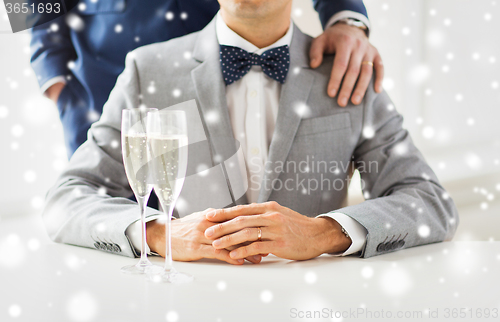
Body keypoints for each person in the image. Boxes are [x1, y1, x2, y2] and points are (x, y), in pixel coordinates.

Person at [42, 0, 459, 265]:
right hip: (108, 88)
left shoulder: (347, 77)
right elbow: (68, 198)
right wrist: (52, 76)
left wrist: (326, 232)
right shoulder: (144, 69)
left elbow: (429, 201)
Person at [30, 0, 383, 158]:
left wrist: (345, 18)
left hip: (213, 90)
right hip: (99, 96)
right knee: (104, 231)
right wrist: (56, 84)